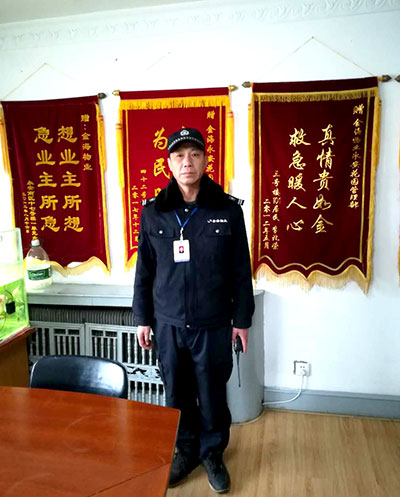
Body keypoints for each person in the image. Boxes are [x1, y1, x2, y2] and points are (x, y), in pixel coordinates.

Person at [133, 127, 254, 494]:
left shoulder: (227, 210)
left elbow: (240, 270)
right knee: (177, 394)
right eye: (179, 156)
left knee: (213, 393)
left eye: (195, 154)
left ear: (205, 160)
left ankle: (212, 453)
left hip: (213, 324)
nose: (187, 162)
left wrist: (242, 321)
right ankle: (185, 451)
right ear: (169, 164)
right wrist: (142, 319)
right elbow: (145, 271)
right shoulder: (154, 212)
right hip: (168, 325)